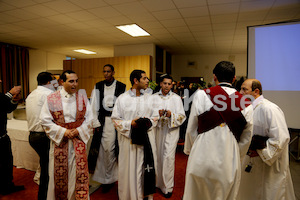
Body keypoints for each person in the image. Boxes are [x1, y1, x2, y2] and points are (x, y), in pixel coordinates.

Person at [183, 61, 253, 200]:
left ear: (214, 76)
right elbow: (247, 137)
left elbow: (191, 128)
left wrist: (192, 150)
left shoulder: (201, 95)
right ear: (234, 79)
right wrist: (236, 156)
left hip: (201, 156)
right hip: (229, 159)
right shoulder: (246, 102)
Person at [237, 79, 295, 200]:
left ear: (256, 91)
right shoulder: (248, 108)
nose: (240, 92)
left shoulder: (269, 109)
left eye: (244, 89)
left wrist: (260, 151)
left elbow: (281, 138)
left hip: (268, 166)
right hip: (251, 161)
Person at [40, 70, 93, 200]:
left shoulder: (82, 98)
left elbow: (90, 119)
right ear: (62, 82)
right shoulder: (52, 98)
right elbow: (44, 120)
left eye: (76, 81)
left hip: (78, 141)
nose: (75, 84)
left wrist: (79, 130)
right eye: (71, 81)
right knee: (59, 178)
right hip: (60, 143)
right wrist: (64, 132)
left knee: (77, 175)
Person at [111, 69, 159, 200]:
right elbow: (115, 119)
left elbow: (156, 117)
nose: (147, 80)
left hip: (147, 139)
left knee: (146, 167)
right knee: (129, 169)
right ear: (135, 81)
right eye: (144, 78)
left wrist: (146, 122)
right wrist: (130, 124)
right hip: (129, 141)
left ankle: (146, 194)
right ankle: (130, 195)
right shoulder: (122, 98)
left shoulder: (151, 98)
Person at [88, 64, 126, 193]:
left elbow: (123, 106)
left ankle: (110, 179)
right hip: (102, 122)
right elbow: (93, 105)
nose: (106, 74)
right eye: (104, 71)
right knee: (102, 151)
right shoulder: (98, 86)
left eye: (108, 71)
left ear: (113, 72)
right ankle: (103, 178)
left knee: (111, 151)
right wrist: (95, 122)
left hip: (115, 122)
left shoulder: (121, 86)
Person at [152, 74, 186, 198]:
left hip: (171, 132)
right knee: (157, 156)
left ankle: (168, 187)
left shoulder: (176, 98)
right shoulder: (153, 98)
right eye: (164, 83)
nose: (167, 86)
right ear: (160, 84)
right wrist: (157, 114)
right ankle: (156, 183)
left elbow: (182, 116)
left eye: (169, 84)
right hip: (157, 131)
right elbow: (147, 113)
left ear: (172, 85)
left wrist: (172, 115)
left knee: (168, 158)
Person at [26, 72, 57, 200]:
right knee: (48, 170)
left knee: (45, 165)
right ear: (49, 82)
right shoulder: (49, 95)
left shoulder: (31, 94)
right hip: (44, 136)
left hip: (33, 136)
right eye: (54, 81)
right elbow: (58, 115)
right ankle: (45, 196)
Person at [0, 81, 23, 195]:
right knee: (4, 163)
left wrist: (14, 100)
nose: (0, 81)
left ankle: (7, 185)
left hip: (3, 136)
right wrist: (10, 93)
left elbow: (7, 108)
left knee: (7, 163)